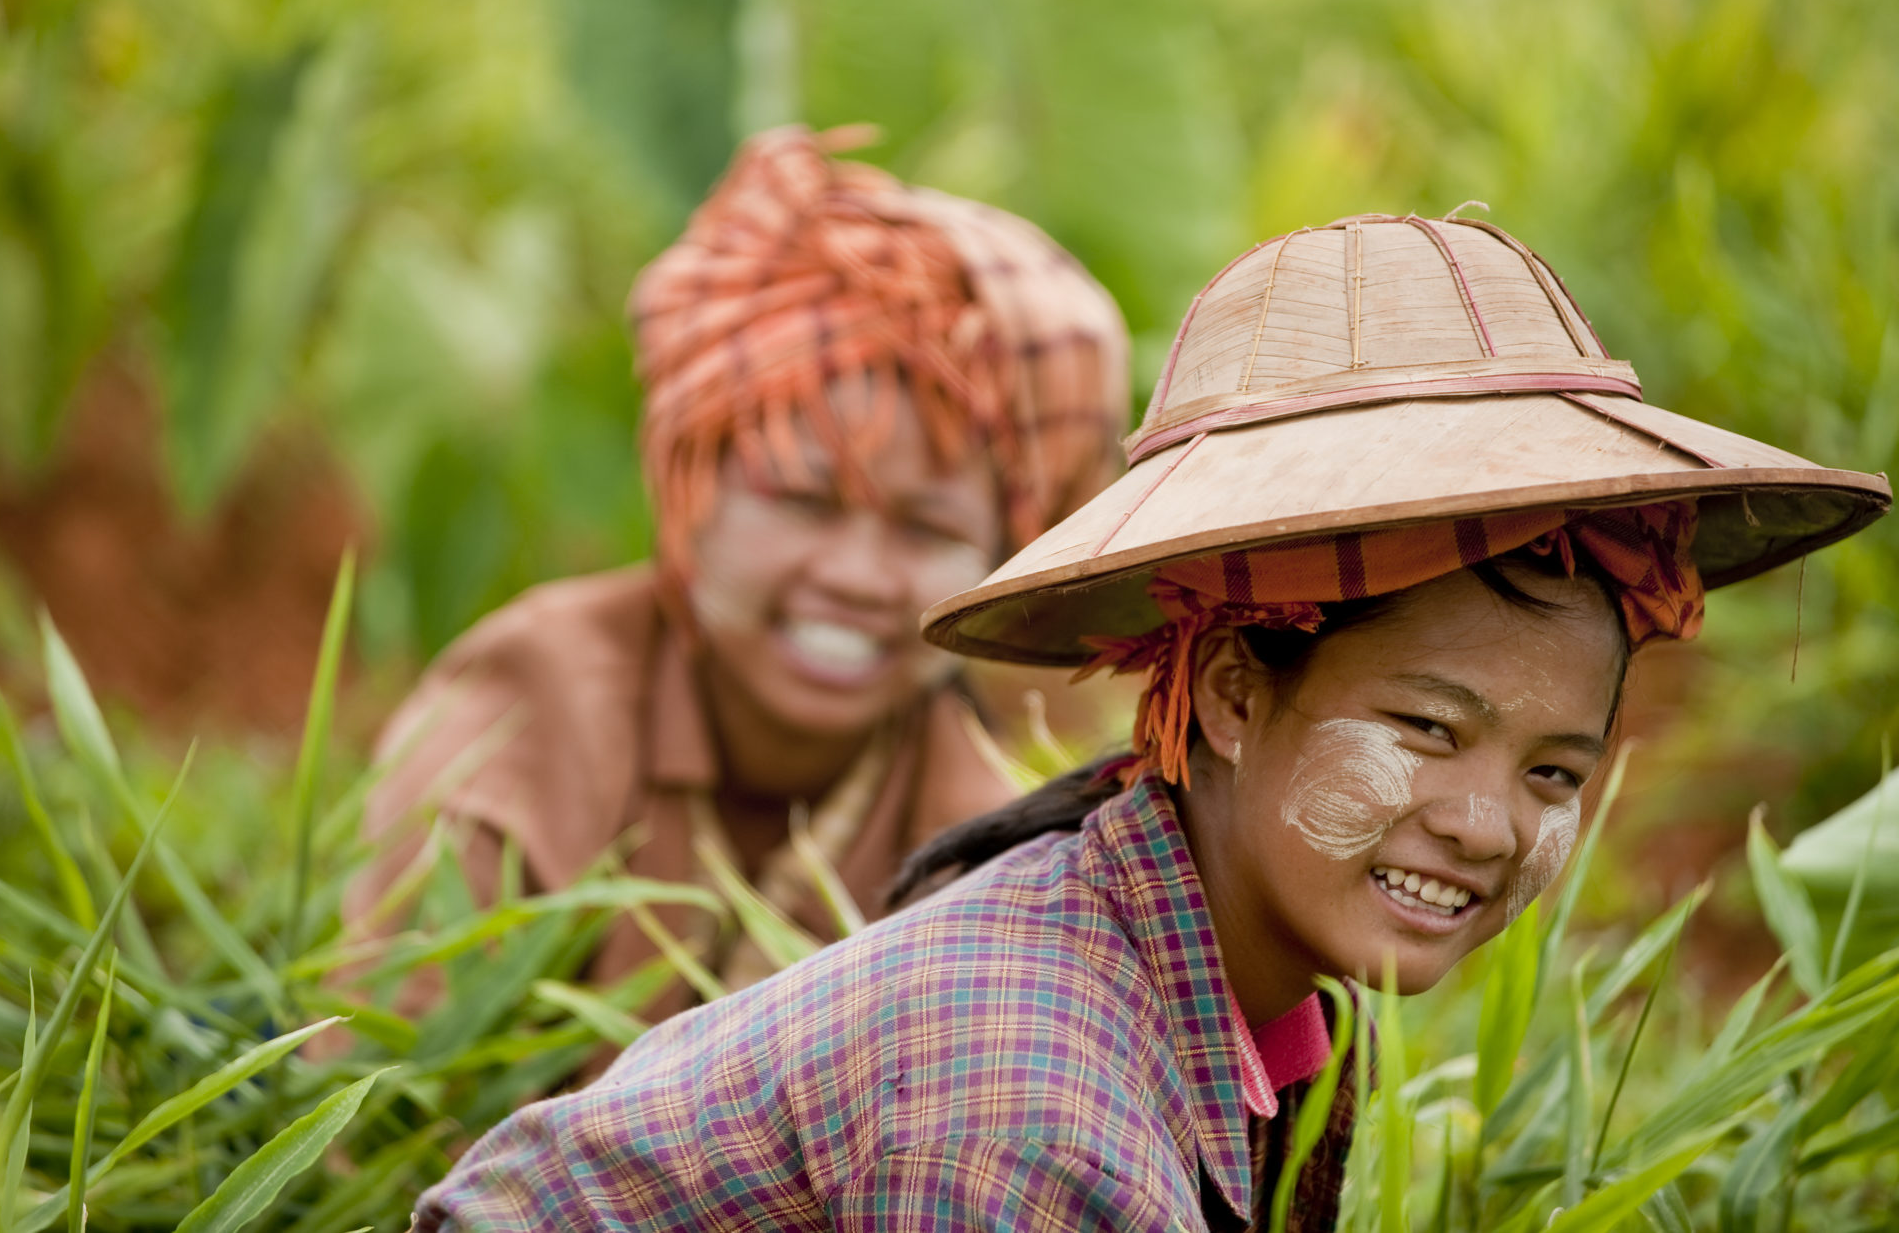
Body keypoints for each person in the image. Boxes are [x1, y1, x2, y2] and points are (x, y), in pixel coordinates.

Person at [412, 212, 1889, 1230]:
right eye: (1429, 731)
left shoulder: (1261, 1007)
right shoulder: (1037, 1086)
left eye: (1554, 767)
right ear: (1239, 693)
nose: (1491, 820)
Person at [341, 125, 1132, 1023]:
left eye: (926, 526)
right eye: (802, 501)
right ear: (692, 486)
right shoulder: (534, 703)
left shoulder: (988, 845)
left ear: (1001, 554)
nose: (857, 575)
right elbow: (391, 1073)